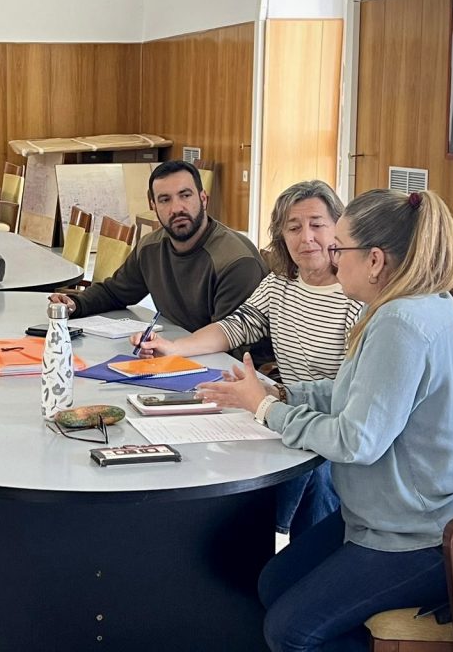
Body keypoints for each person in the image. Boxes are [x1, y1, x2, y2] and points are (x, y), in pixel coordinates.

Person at [199, 189, 453, 652]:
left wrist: (267, 410)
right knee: (273, 585)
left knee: (290, 631)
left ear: (373, 261)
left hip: (440, 532)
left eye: (339, 247)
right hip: (395, 515)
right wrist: (281, 392)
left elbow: (357, 441)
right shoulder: (401, 306)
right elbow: (354, 394)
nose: (331, 256)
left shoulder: (401, 323)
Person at [135, 180, 362, 536]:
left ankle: (296, 550)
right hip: (282, 410)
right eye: (293, 227)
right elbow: (237, 326)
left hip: (330, 423)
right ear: (281, 235)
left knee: (310, 473)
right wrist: (175, 348)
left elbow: (352, 391)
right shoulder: (279, 284)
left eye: (317, 224)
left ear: (338, 228)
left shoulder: (354, 295)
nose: (307, 238)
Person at [48, 160, 267, 335]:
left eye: (185, 195)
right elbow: (115, 293)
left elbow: (230, 342)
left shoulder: (236, 262)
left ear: (203, 198)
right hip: (179, 352)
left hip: (230, 369)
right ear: (152, 205)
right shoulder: (150, 247)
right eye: (164, 200)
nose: (176, 208)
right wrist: (75, 304)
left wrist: (170, 351)